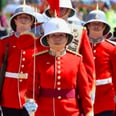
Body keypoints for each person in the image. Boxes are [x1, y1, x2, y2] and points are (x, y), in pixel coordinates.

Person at [25, 17, 93, 116]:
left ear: (67, 38)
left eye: (61, 35)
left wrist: (88, 112)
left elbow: (84, 92)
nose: (57, 38)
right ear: (47, 39)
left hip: (71, 112)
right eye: (53, 35)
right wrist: (31, 106)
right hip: (44, 112)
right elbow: (32, 90)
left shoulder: (76, 59)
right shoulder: (38, 60)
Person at [42, 0, 95, 105]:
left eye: (62, 9)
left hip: (72, 92)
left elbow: (88, 66)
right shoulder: (42, 30)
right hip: (46, 91)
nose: (58, 11)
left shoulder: (79, 31)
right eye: (55, 9)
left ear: (68, 11)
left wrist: (87, 94)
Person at [0, 4, 43, 116]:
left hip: (31, 95)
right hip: (9, 94)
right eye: (20, 17)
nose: (23, 20)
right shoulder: (5, 42)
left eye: (27, 17)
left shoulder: (40, 43)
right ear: (15, 20)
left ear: (32, 21)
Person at [84, 8, 116, 116]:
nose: (96, 26)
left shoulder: (111, 48)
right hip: (84, 97)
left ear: (104, 27)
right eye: (93, 24)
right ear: (88, 26)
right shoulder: (80, 47)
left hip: (105, 99)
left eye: (100, 24)